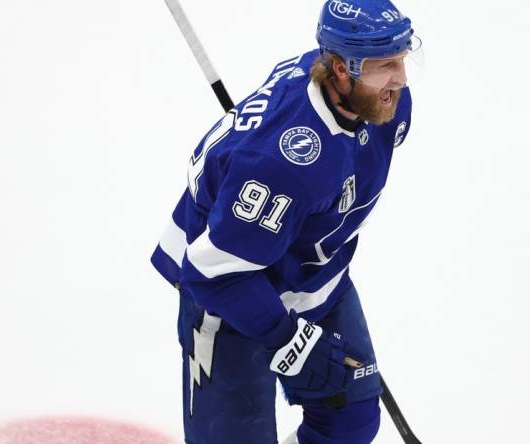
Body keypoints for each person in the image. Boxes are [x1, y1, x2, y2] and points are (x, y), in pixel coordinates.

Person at [150, 1, 422, 443]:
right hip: (233, 294)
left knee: (349, 424)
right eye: (385, 65)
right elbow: (212, 272)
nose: (401, 79)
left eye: (403, 58)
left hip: (312, 274)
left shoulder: (382, 105)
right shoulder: (283, 165)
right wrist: (287, 339)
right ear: (338, 69)